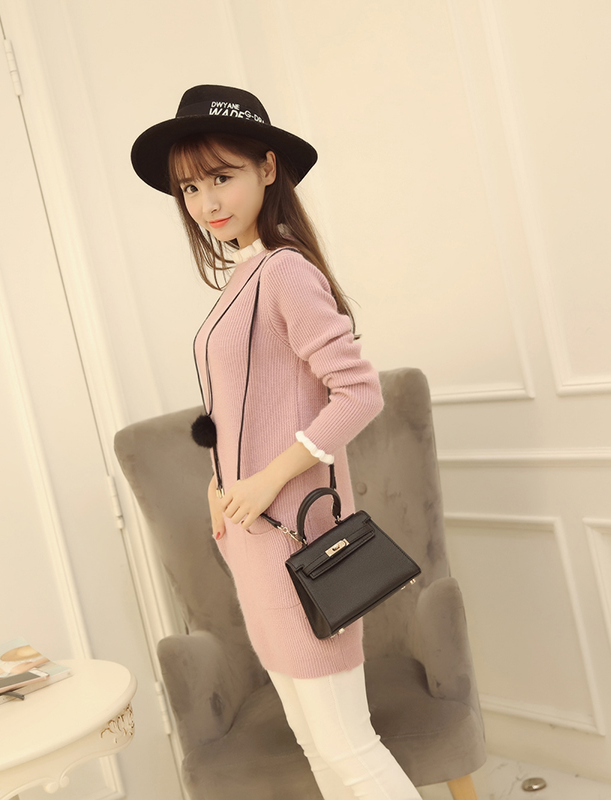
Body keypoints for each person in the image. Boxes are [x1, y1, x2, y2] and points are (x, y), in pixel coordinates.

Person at [131, 85, 421, 800]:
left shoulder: (285, 271)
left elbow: (358, 393)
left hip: (297, 541)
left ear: (267, 168)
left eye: (220, 177)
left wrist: (265, 480)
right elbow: (239, 411)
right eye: (189, 187)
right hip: (254, 544)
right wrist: (218, 481)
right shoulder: (244, 277)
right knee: (316, 743)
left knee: (348, 746)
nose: (205, 201)